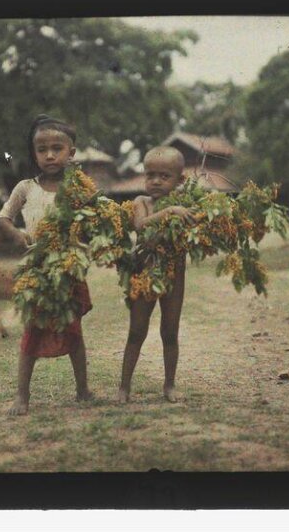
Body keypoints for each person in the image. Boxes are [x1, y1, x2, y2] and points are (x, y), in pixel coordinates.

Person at [0, 114, 93, 415]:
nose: (49, 155)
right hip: (38, 271)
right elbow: (4, 217)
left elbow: (96, 218)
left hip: (67, 268)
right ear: (34, 153)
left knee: (74, 330)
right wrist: (17, 234)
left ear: (72, 152)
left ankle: (83, 390)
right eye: (42, 149)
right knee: (32, 332)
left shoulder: (79, 188)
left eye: (57, 148)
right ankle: (21, 397)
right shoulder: (26, 187)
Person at [118, 146, 196, 404]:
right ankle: (124, 387)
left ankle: (169, 385)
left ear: (180, 180)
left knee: (170, 331)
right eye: (150, 175)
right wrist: (170, 211)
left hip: (175, 274)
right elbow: (140, 225)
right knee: (136, 330)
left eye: (164, 176)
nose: (156, 181)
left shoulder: (186, 205)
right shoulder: (142, 202)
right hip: (144, 273)